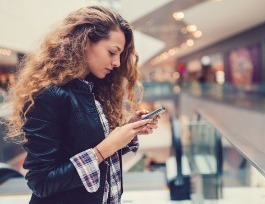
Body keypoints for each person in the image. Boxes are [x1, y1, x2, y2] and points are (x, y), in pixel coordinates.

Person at [7, 5, 159, 204]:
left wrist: (127, 133)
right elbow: (41, 182)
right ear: (85, 42)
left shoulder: (91, 89)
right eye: (112, 52)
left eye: (120, 55)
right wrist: (107, 147)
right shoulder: (50, 95)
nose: (117, 63)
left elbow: (87, 152)